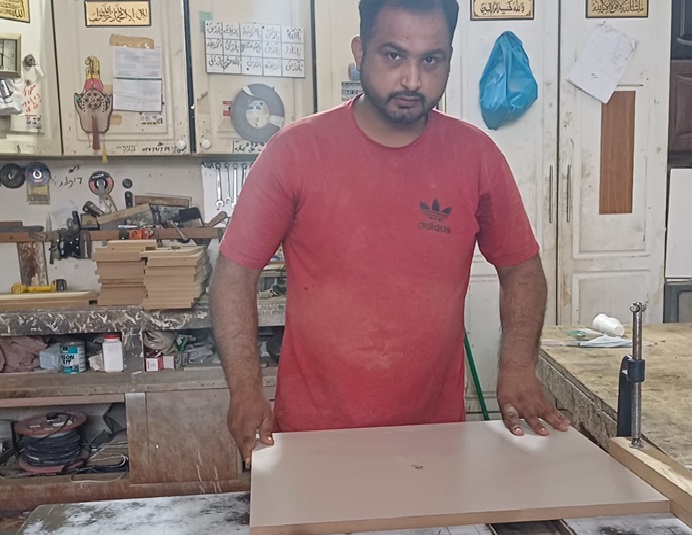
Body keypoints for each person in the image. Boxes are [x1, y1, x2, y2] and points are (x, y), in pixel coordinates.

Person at [210, 0, 570, 466]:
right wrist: (244, 389)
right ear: (360, 52)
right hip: (312, 440)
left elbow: (522, 269)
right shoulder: (294, 153)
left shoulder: (476, 157)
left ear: (449, 59)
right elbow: (234, 275)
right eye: (394, 55)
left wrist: (518, 366)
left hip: (434, 440)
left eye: (431, 60)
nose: (412, 80)